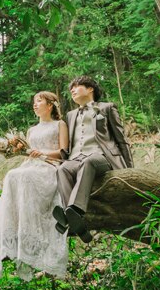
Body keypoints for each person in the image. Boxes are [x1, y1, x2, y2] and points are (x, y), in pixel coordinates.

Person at [0, 91, 70, 281]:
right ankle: (17, 223)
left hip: (50, 166)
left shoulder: (60, 125)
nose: (35, 104)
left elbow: (64, 152)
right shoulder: (31, 130)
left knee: (24, 176)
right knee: (13, 175)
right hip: (32, 165)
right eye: (34, 102)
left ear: (50, 105)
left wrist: (42, 152)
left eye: (39, 101)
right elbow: (28, 153)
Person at [53, 76, 133, 245]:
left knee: (89, 162)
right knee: (63, 169)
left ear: (90, 89)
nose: (72, 91)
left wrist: (130, 168)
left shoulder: (107, 108)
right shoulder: (70, 115)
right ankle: (76, 222)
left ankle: (74, 211)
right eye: (71, 89)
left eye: (76, 86)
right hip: (76, 158)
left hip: (102, 158)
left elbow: (121, 139)